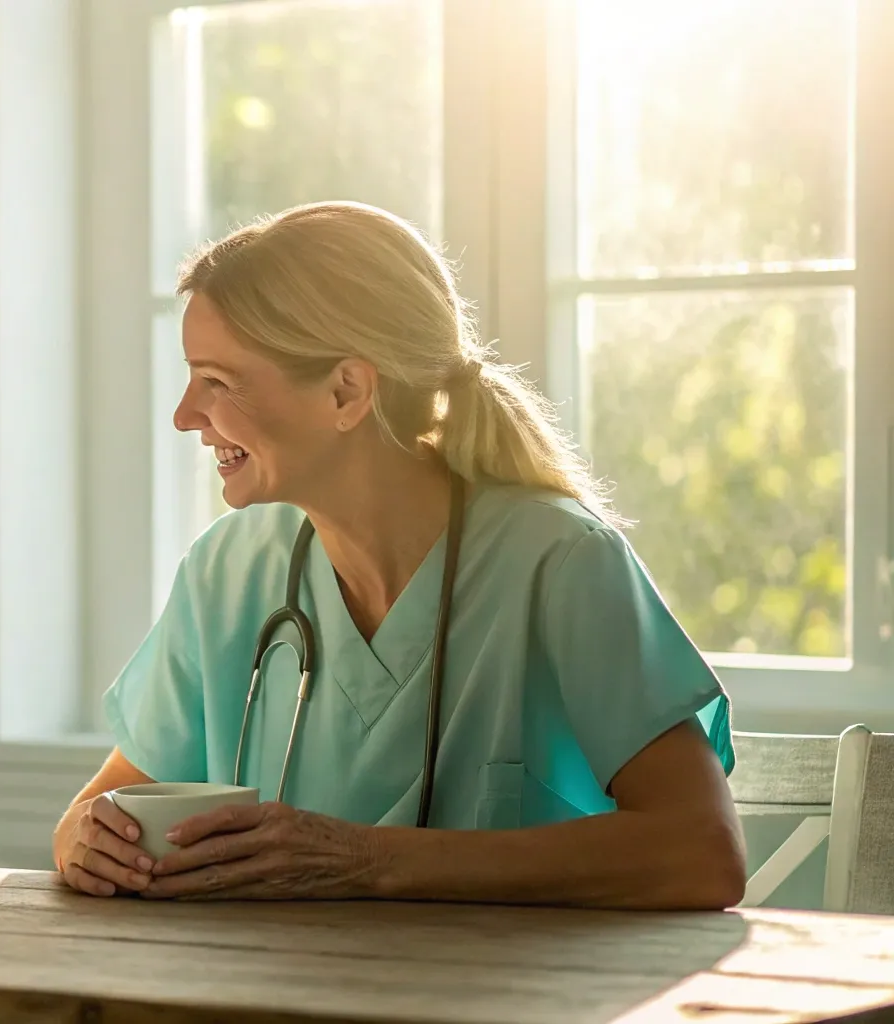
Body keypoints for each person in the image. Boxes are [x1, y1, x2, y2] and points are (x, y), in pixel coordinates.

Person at [53, 202, 742, 910]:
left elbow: (703, 853)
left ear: (346, 390)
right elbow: (105, 806)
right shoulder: (227, 571)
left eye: (217, 382)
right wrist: (83, 836)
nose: (184, 416)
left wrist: (366, 860)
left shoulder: (562, 561)